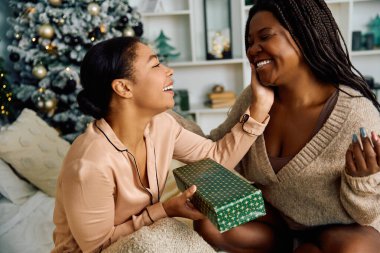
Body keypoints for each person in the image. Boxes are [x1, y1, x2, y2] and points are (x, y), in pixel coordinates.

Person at [173, 0, 380, 252]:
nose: (252, 49)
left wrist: (361, 183)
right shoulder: (256, 98)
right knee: (208, 224)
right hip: (278, 226)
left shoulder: (356, 114)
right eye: (250, 42)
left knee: (352, 249)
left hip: (340, 232)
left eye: (265, 37)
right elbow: (216, 150)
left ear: (304, 36)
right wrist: (158, 115)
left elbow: (367, 215)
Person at [51, 36, 274, 253]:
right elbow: (98, 247)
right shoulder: (89, 164)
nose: (169, 70)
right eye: (156, 64)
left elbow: (215, 158)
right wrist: (164, 210)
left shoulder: (161, 125)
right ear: (124, 88)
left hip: (145, 239)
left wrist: (259, 107)